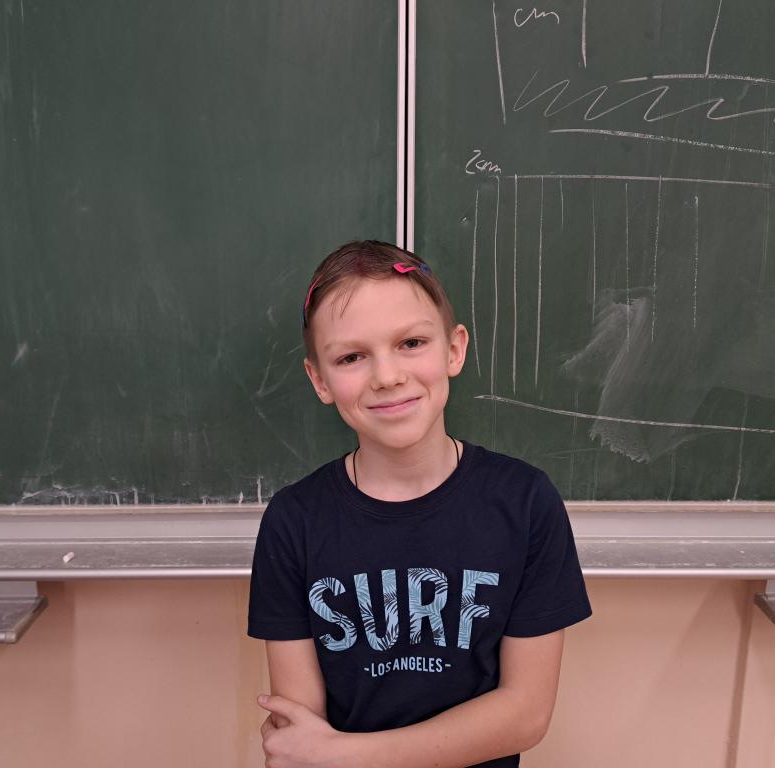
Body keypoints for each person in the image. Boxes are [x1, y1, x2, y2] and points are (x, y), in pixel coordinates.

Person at [247, 240, 592, 767]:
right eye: (351, 357)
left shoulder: (524, 503)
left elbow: (525, 714)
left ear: (454, 349)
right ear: (319, 379)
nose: (387, 376)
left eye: (410, 342)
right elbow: (301, 742)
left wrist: (349, 756)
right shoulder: (294, 522)